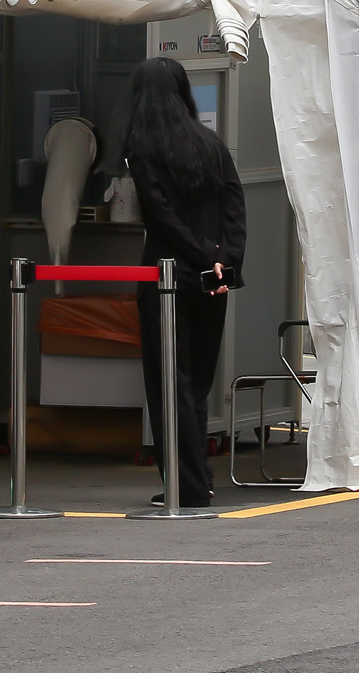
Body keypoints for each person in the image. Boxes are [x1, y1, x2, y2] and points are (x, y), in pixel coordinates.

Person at [125, 57, 246, 508]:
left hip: (166, 276)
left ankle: (186, 485)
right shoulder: (210, 143)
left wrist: (199, 256)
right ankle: (199, 481)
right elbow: (235, 204)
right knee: (196, 385)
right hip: (211, 281)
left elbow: (161, 216)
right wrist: (225, 261)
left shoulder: (142, 147)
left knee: (168, 383)